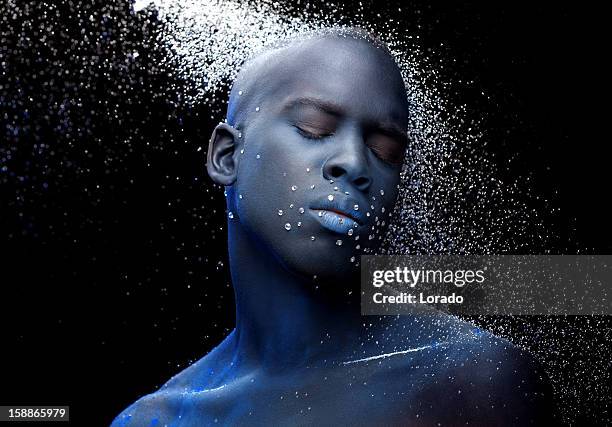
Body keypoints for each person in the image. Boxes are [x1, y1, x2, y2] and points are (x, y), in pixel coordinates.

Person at [112, 27, 556, 426]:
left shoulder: (472, 382)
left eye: (385, 151)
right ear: (227, 156)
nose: (355, 163)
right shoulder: (156, 419)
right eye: (315, 127)